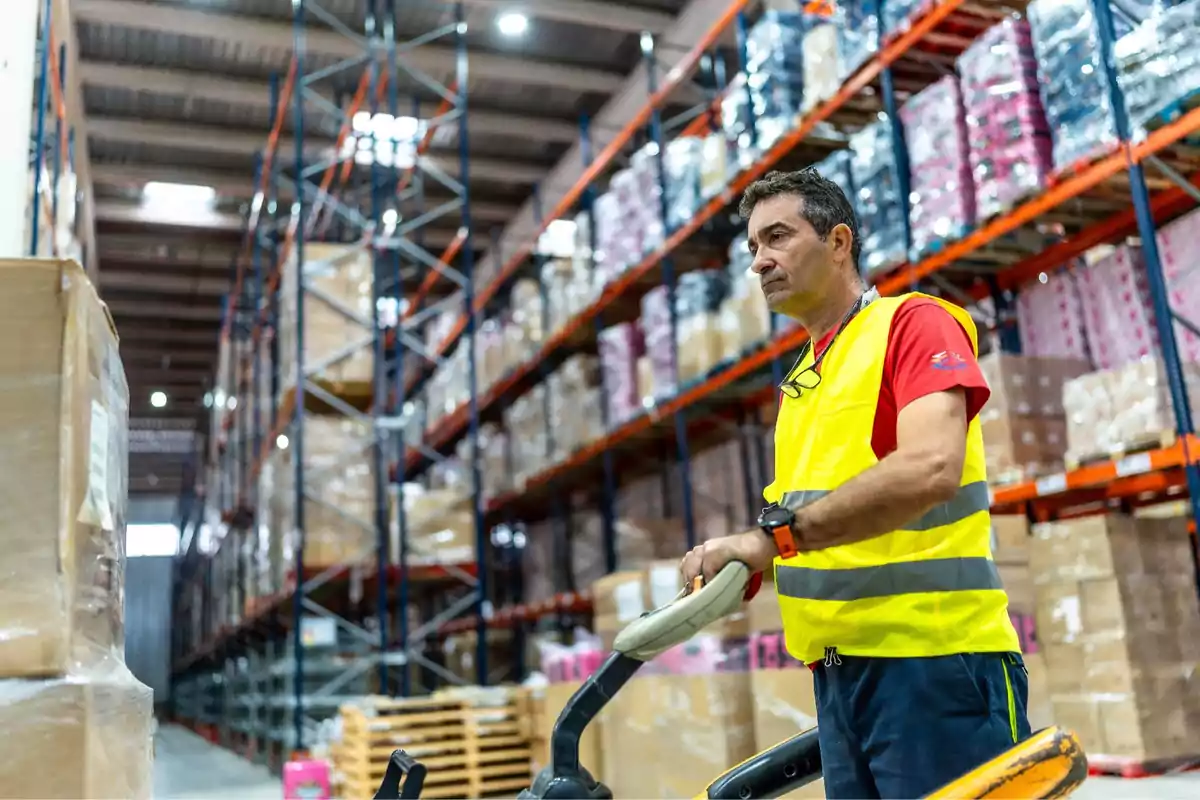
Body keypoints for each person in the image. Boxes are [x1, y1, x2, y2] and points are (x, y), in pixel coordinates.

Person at [680, 169, 1030, 799]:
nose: (760, 261)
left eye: (778, 237)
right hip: (841, 678)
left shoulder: (914, 325)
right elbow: (817, 527)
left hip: (936, 666)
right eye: (753, 247)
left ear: (839, 241)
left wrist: (773, 541)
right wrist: (744, 566)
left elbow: (931, 468)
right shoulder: (802, 382)